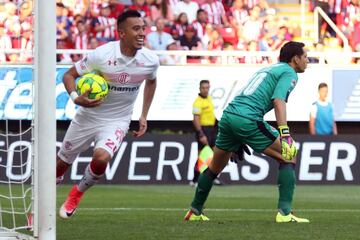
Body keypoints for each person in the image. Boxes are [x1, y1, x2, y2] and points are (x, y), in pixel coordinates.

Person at [184, 41, 310, 223]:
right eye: (305, 57)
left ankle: (195, 211)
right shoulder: (289, 72)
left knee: (214, 168)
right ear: (295, 59)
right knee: (289, 154)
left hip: (229, 116)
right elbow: (278, 100)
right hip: (248, 118)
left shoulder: (268, 69)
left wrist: (239, 135)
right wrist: (285, 133)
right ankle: (284, 214)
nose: (307, 60)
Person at [56, 10, 159, 219]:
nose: (141, 33)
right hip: (87, 116)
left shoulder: (150, 60)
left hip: (117, 120)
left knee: (102, 158)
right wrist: (76, 98)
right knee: (61, 164)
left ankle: (76, 194)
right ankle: (40, 208)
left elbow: (152, 80)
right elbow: (69, 75)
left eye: (143, 28)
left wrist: (144, 114)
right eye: (136, 28)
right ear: (121, 33)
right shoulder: (102, 55)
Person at [190, 80, 221, 186]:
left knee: (214, 155)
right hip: (203, 130)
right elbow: (195, 119)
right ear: (200, 88)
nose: (205, 89)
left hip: (212, 130)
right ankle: (194, 180)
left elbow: (211, 115)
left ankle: (213, 177)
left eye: (207, 87)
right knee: (202, 156)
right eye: (203, 87)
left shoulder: (209, 99)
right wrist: (201, 134)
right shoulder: (197, 102)